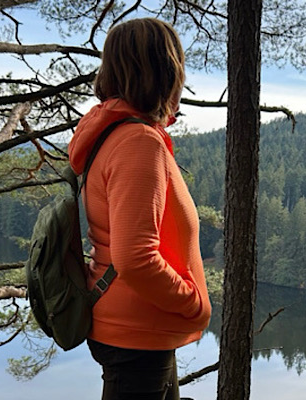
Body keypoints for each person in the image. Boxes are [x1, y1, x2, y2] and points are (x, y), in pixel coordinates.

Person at [68, 18, 212, 400]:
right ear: (165, 72)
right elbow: (135, 259)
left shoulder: (118, 134)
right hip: (137, 333)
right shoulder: (137, 142)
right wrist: (193, 303)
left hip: (140, 328)